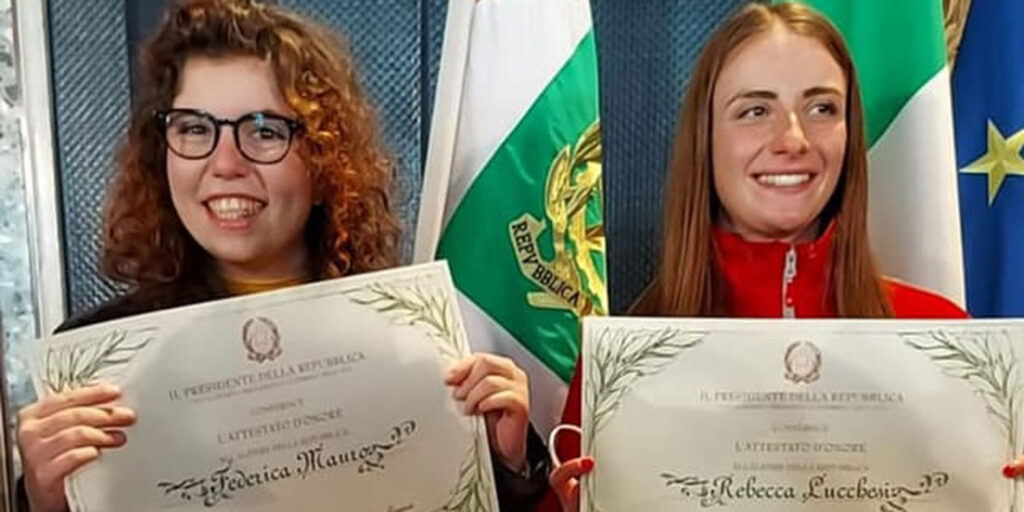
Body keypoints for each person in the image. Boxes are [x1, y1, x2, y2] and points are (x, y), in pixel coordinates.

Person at [14, 1, 548, 510]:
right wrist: (44, 501)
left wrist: (508, 465)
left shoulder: (416, 343)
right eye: (195, 129)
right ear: (162, 156)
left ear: (324, 161)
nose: (226, 163)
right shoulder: (98, 376)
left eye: (265, 131)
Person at [543, 2, 1009, 510]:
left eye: (822, 108)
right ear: (705, 138)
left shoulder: (942, 341)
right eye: (755, 111)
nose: (792, 139)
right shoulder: (622, 364)